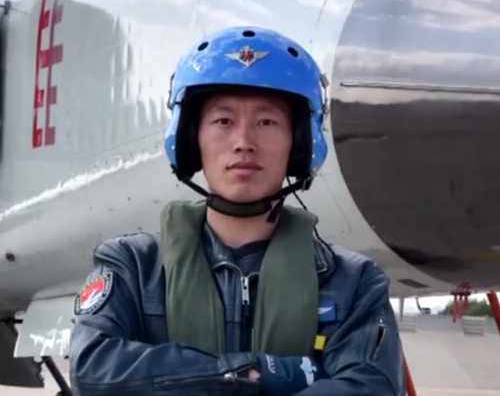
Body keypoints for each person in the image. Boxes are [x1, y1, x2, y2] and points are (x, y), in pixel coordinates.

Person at [69, 26, 405, 396]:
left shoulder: (354, 282)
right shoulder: (133, 267)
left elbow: (368, 388)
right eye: (223, 121)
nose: (244, 142)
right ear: (191, 138)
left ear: (299, 143)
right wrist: (257, 372)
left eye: (266, 122)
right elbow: (94, 371)